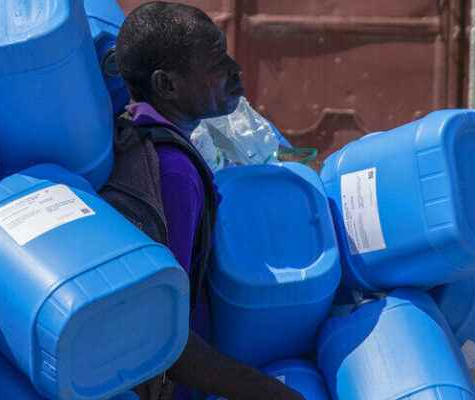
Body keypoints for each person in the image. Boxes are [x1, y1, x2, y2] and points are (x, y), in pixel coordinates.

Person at [99, 2, 306, 400]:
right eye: (216, 61)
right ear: (167, 86)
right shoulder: (173, 171)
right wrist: (271, 394)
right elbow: (164, 334)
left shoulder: (140, 134)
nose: (235, 69)